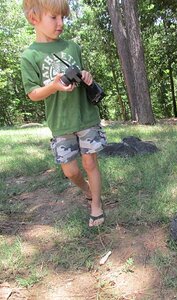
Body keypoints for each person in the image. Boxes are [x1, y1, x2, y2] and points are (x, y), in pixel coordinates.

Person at [20, 0, 107, 227]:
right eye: (54, 18)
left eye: (63, 18)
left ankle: (96, 205)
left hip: (85, 116)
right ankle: (86, 190)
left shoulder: (72, 48)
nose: (61, 23)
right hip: (60, 123)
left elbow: (82, 75)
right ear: (34, 18)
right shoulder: (30, 55)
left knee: (90, 163)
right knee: (70, 171)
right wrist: (53, 86)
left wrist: (87, 76)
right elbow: (33, 93)